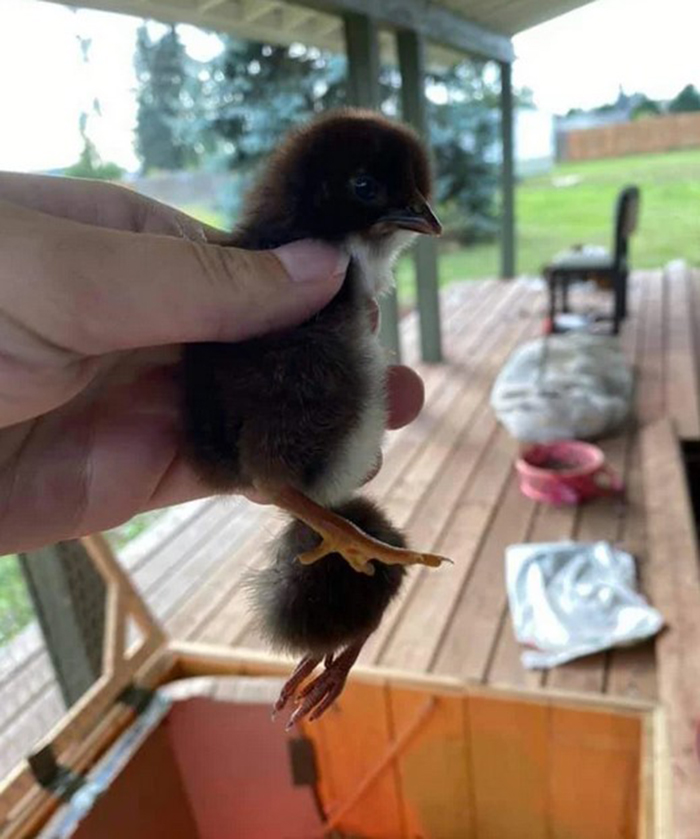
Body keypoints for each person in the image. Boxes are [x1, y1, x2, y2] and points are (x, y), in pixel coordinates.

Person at [0, 173, 424, 554]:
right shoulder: (298, 296)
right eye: (367, 188)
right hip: (250, 445)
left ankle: (319, 519)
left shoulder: (310, 299)